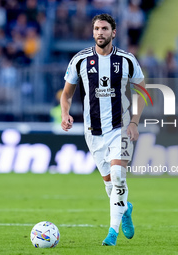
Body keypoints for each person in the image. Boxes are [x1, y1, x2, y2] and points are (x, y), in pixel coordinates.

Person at [60, 13, 146, 246]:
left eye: (105, 29)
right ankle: (125, 208)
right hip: (93, 131)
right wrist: (65, 113)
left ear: (113, 33)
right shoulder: (80, 60)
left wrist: (134, 122)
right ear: (93, 32)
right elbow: (67, 94)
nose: (100, 32)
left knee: (118, 177)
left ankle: (112, 233)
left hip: (120, 127)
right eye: (97, 28)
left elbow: (142, 93)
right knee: (111, 185)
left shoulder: (127, 60)